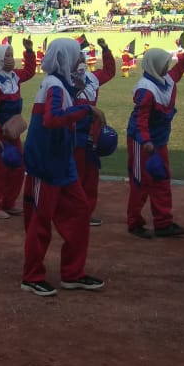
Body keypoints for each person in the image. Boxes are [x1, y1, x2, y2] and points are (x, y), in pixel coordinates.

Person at [21, 39, 106, 297]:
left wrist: (80, 98)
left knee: (80, 213)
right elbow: (52, 118)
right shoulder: (54, 86)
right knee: (40, 222)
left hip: (61, 162)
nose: (81, 60)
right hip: (45, 163)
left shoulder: (62, 84)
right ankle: (32, 276)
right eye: (77, 56)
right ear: (66, 58)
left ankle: (73, 273)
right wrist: (86, 110)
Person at [125, 46, 184, 239]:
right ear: (155, 65)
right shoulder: (146, 89)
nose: (168, 66)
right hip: (143, 141)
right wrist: (145, 141)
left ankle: (163, 222)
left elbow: (179, 69)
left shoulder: (165, 80)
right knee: (141, 182)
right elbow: (140, 119)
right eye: (165, 63)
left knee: (162, 179)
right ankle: (134, 223)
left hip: (158, 140)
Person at [0, 38, 37, 218]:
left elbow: (28, 71)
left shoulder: (13, 77)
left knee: (18, 167)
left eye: (12, 55)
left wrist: (29, 52)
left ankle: (9, 202)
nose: (11, 59)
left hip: (11, 132)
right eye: (7, 56)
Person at [73, 38, 116, 227]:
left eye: (82, 56)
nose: (81, 59)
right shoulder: (61, 80)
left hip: (90, 134)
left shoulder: (92, 78)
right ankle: (68, 210)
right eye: (77, 56)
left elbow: (109, 71)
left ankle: (84, 212)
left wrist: (105, 49)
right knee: (74, 174)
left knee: (90, 175)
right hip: (72, 134)